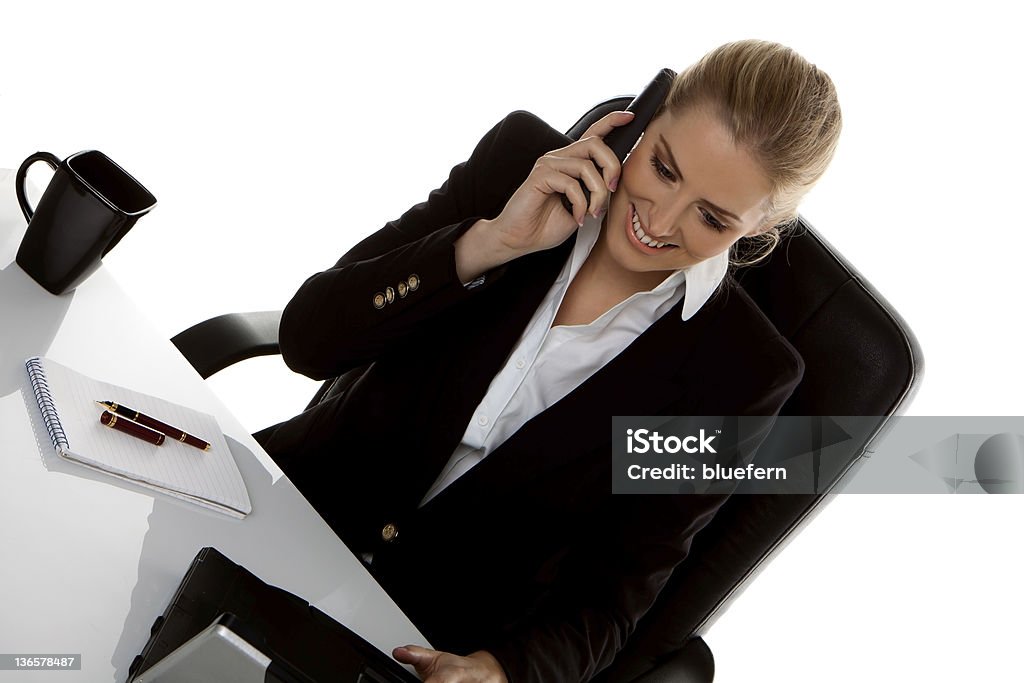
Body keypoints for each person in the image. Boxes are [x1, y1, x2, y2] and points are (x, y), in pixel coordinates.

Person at [256, 39, 841, 683]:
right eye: (664, 169)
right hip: (276, 517)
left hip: (416, 647)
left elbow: (610, 600)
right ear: (640, 123)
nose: (660, 220)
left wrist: (503, 672)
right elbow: (308, 339)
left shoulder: (737, 375)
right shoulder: (518, 166)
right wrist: (488, 244)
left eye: (711, 217)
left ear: (758, 230)